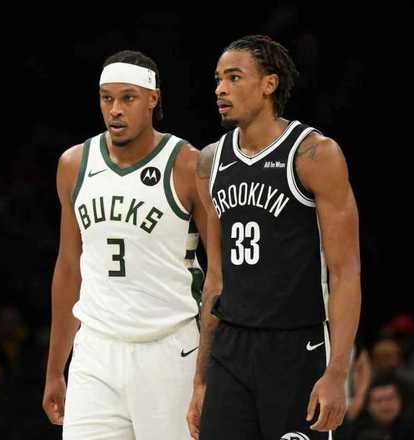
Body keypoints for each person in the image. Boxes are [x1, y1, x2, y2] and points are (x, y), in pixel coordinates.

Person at [187, 34, 361, 439]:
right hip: (231, 347)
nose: (220, 89)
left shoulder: (314, 154)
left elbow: (345, 273)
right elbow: (215, 279)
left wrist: (338, 373)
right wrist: (200, 379)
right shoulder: (210, 161)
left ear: (269, 84)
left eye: (234, 77)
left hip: (296, 346)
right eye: (218, 79)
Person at [42, 50, 205, 439]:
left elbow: (219, 270)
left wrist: (206, 375)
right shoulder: (74, 164)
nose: (115, 109)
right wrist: (55, 369)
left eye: (128, 97)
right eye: (106, 98)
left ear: (152, 99)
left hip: (169, 348)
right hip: (95, 350)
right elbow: (69, 267)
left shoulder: (187, 164)